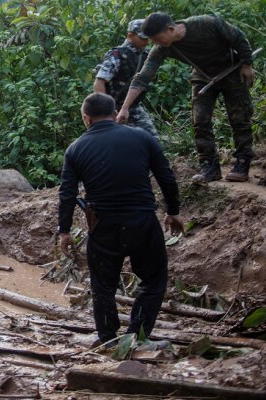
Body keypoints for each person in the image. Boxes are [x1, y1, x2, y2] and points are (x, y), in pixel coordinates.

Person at [58, 93, 184, 347]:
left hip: (104, 226)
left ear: (86, 118)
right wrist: (173, 211)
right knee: (153, 280)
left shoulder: (76, 149)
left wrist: (64, 230)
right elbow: (166, 177)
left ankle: (108, 339)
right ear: (115, 114)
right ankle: (137, 335)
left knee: (103, 286)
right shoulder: (142, 137)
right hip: (143, 222)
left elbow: (67, 194)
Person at [116, 12, 256, 183]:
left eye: (157, 38)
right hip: (202, 76)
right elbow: (143, 77)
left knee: (239, 118)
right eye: (153, 40)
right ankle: (209, 166)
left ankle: (242, 164)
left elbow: (238, 38)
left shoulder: (205, 23)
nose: (156, 43)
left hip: (232, 70)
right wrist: (124, 108)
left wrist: (247, 64)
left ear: (170, 28)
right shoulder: (163, 47)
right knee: (200, 121)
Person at [94, 19, 157, 137]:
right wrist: (105, 110)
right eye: (143, 38)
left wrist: (126, 108)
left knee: (151, 138)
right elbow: (99, 82)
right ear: (130, 35)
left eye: (148, 38)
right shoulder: (117, 55)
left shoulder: (145, 55)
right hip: (112, 108)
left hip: (132, 106)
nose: (146, 42)